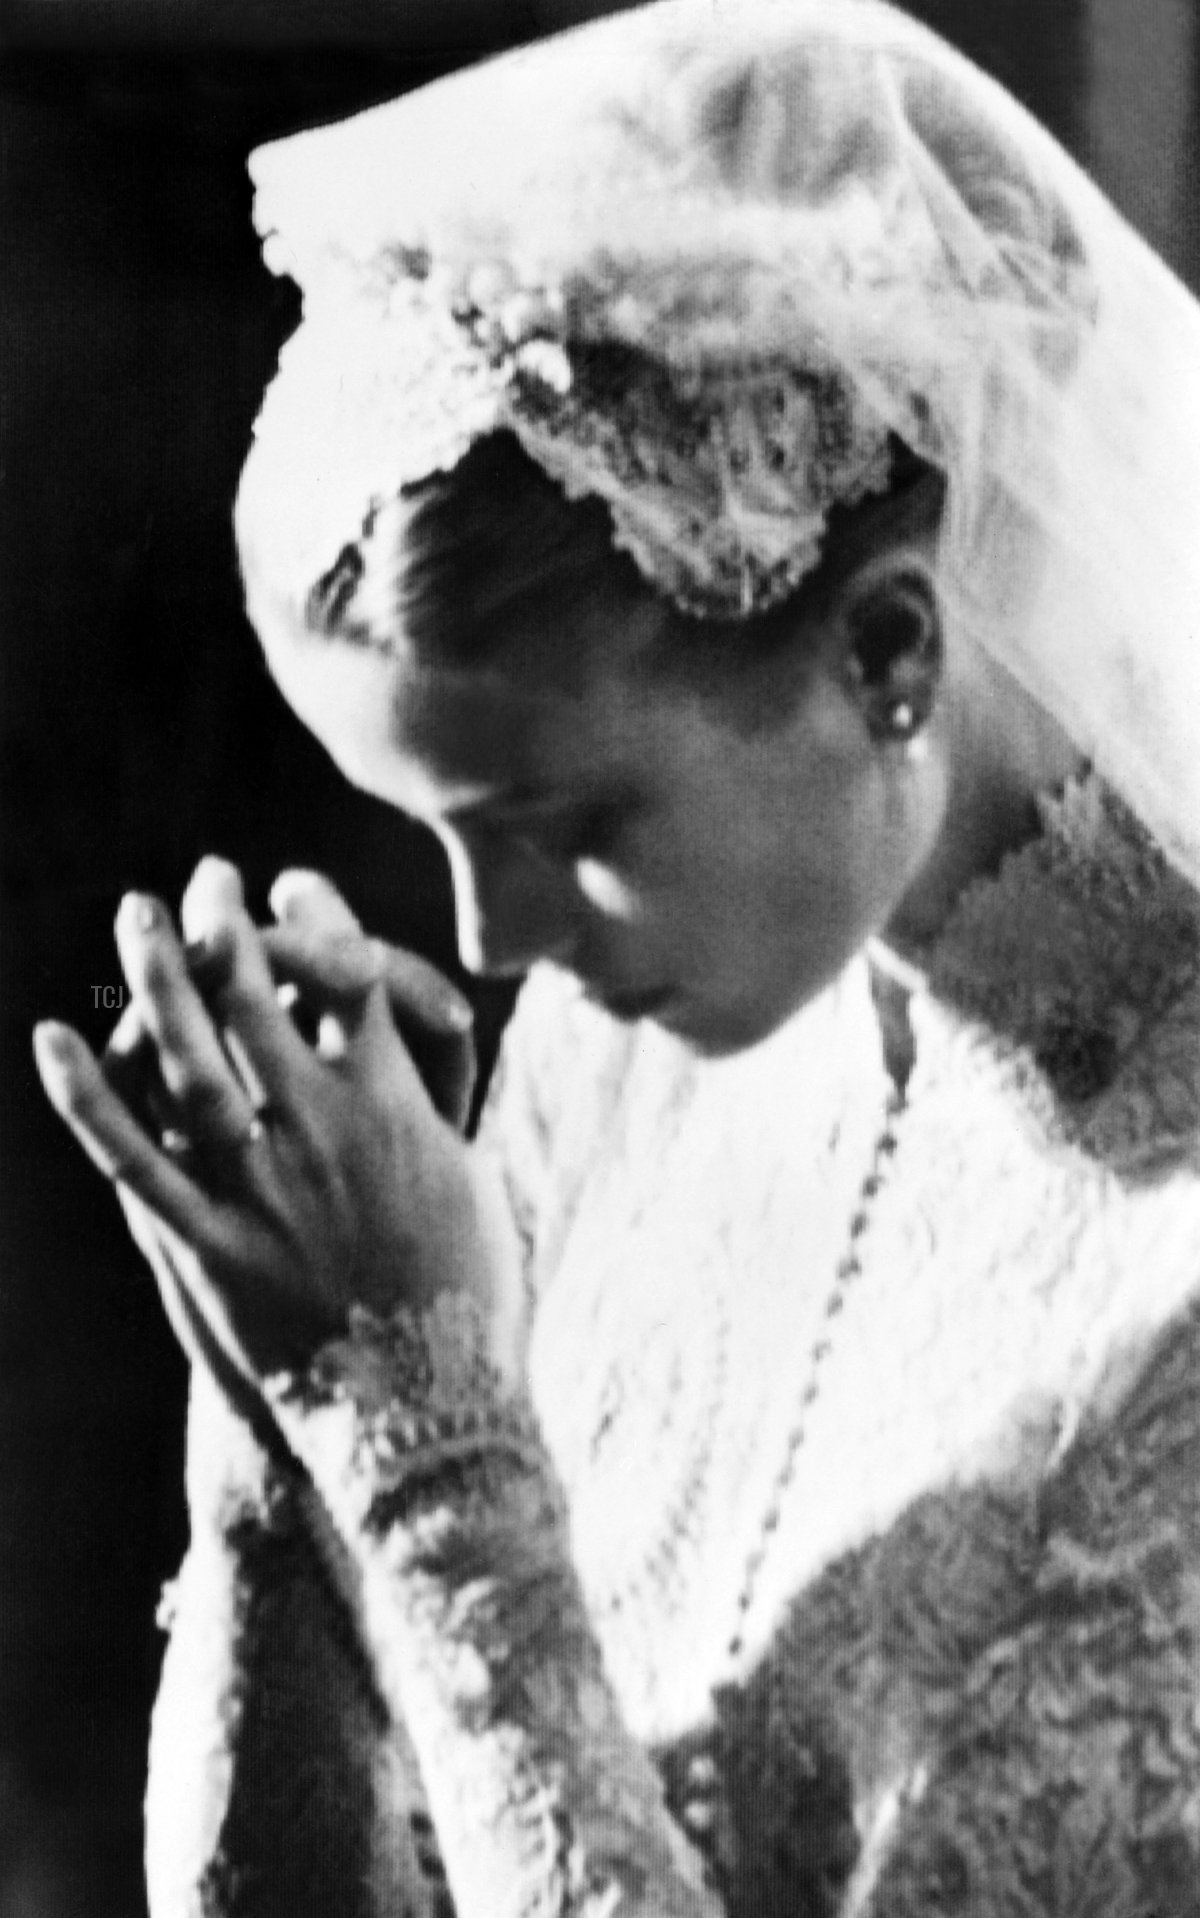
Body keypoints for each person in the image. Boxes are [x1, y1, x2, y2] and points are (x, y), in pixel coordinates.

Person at [33, 1, 1200, 1912]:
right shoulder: (629, 1066)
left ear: (889, 653)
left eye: (569, 821)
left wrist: (431, 1459)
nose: (492, 940)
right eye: (442, 834)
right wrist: (282, 1426)